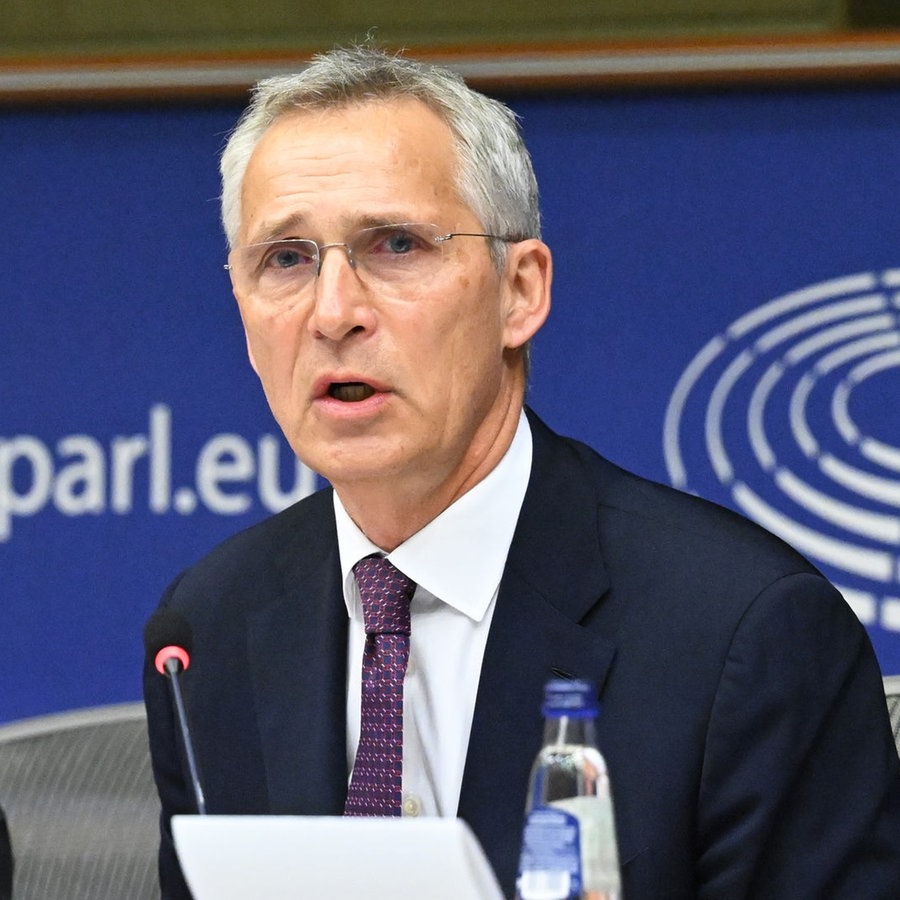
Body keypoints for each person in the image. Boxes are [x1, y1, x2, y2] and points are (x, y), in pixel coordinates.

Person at [143, 45, 900, 899]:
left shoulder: (745, 635)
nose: (333, 312)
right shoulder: (209, 630)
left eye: (395, 245)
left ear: (520, 291)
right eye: (285, 259)